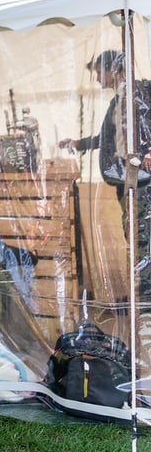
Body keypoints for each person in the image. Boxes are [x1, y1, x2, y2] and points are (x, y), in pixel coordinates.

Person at [59, 50, 151, 292]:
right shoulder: (118, 100)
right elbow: (106, 138)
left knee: (143, 237)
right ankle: (142, 294)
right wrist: (79, 144)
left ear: (114, 69)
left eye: (100, 72)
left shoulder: (139, 92)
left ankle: (146, 298)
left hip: (143, 182)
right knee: (134, 234)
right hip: (127, 179)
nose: (97, 78)